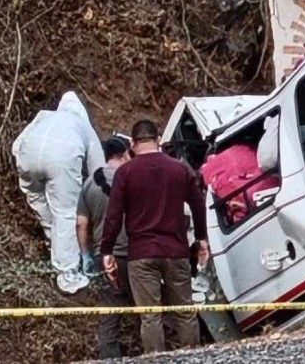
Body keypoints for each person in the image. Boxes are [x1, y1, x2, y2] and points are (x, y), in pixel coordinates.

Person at [100, 119, 209, 354]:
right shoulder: (179, 168)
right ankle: (193, 357)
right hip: (176, 250)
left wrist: (107, 251)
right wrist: (201, 239)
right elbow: (199, 205)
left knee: (150, 316)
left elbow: (114, 215)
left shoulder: (125, 173)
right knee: (184, 311)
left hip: (140, 253)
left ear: (132, 143)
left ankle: (156, 360)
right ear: (158, 140)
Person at [12, 91, 104, 294]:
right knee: (65, 212)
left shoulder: (44, 116)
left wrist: (26, 163)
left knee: (37, 197)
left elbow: (16, 145)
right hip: (62, 160)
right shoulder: (83, 126)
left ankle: (54, 242)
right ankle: (67, 275)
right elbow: (99, 171)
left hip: (27, 157)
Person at [76, 136, 133, 359]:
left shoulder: (89, 183)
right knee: (149, 305)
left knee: (111, 309)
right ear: (124, 154)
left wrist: (85, 255)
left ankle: (110, 358)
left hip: (104, 254)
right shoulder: (130, 178)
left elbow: (81, 223)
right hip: (132, 252)